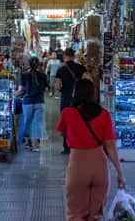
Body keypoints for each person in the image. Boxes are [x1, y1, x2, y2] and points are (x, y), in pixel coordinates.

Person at [57, 79, 125, 221]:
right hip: (100, 166)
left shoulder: (67, 113)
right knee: (96, 215)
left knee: (76, 214)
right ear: (93, 94)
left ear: (76, 93)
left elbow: (62, 132)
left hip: (77, 166)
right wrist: (119, 173)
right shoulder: (104, 114)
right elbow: (110, 145)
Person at [56, 48, 88, 154]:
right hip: (79, 100)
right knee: (79, 122)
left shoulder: (61, 70)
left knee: (66, 123)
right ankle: (78, 144)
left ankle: (66, 146)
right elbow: (88, 82)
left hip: (66, 99)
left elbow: (57, 86)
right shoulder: (81, 68)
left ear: (65, 56)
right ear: (74, 56)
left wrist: (62, 88)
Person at [16, 57, 48, 151]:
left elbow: (20, 90)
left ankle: (29, 143)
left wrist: (14, 95)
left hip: (27, 102)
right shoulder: (43, 75)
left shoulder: (24, 75)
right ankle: (36, 146)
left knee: (28, 123)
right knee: (37, 123)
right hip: (39, 102)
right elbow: (46, 89)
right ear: (38, 64)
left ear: (29, 64)